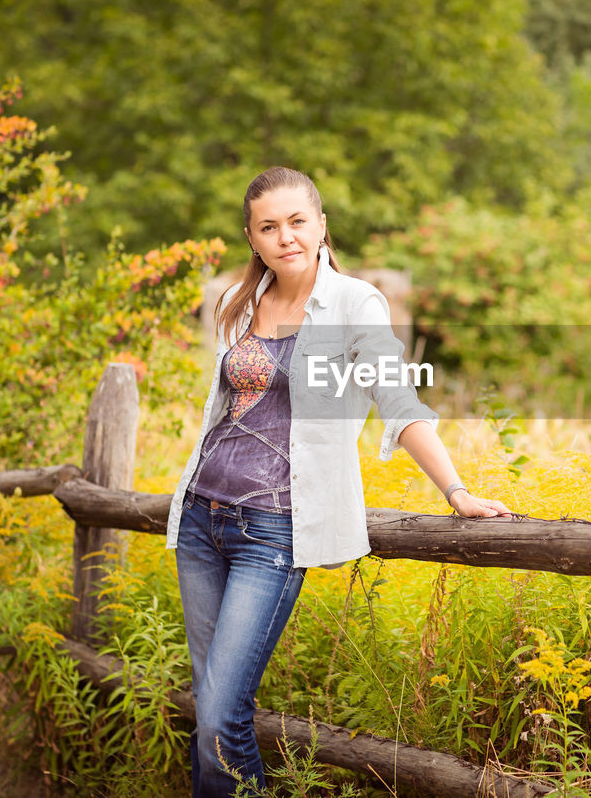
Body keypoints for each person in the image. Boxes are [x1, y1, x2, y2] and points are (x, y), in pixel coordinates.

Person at [166, 166, 512, 797]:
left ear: (322, 225)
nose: (285, 237)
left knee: (221, 716)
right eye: (268, 226)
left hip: (272, 532)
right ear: (252, 236)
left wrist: (456, 492)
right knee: (206, 708)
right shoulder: (239, 304)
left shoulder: (354, 303)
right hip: (200, 519)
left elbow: (397, 401)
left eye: (297, 221)